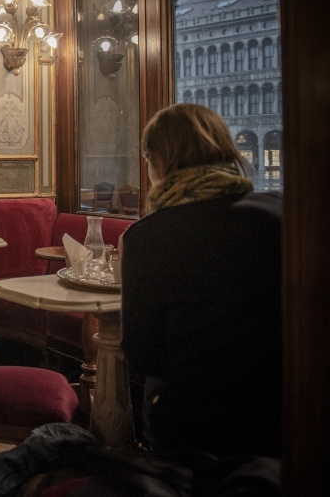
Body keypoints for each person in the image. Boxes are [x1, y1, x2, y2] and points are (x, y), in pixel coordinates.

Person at [120, 104, 282, 458]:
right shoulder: (280, 212)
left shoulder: (149, 237)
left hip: (198, 427)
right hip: (284, 414)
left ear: (159, 162)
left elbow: (143, 354)